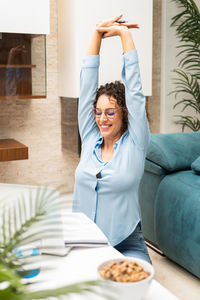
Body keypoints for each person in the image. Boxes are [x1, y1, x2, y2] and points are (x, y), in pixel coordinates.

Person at [73, 15, 151, 263]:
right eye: (98, 112)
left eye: (110, 112)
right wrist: (97, 34)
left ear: (124, 113)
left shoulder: (136, 143)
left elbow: (135, 92)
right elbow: (86, 84)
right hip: (82, 241)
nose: (102, 119)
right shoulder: (89, 136)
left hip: (126, 242)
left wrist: (124, 35)